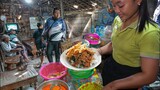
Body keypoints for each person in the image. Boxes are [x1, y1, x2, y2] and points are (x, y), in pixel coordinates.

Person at [96, 0, 160, 90]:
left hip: (128, 79)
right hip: (111, 67)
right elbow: (115, 44)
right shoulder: (118, 20)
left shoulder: (150, 33)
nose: (116, 10)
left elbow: (149, 76)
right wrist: (98, 51)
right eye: (114, 6)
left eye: (120, 5)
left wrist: (113, 86)